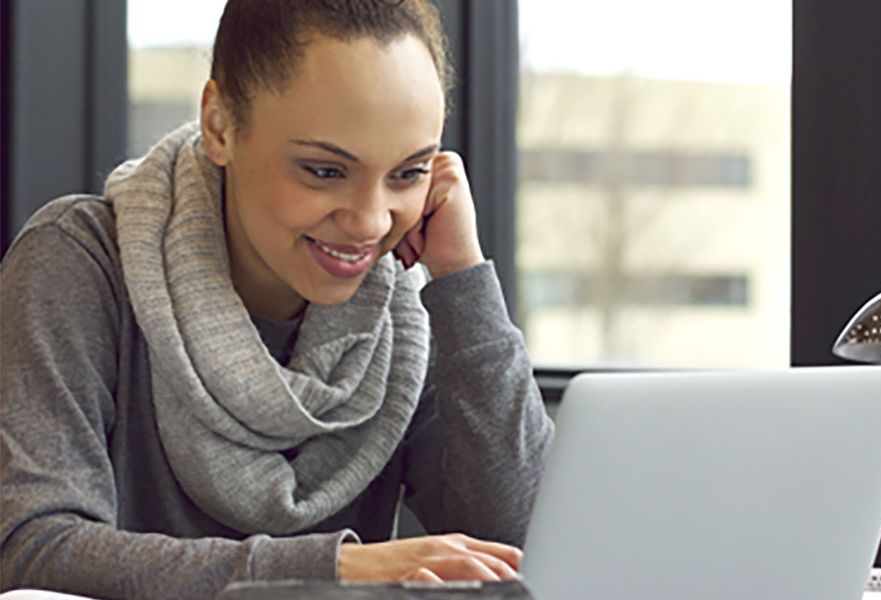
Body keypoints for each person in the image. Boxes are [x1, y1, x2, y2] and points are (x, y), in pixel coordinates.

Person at [0, 0, 554, 597]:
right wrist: (334, 571)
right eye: (323, 171)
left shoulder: (402, 320)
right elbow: (35, 550)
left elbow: (530, 543)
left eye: (408, 173)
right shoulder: (79, 260)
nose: (370, 222)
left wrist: (463, 277)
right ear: (220, 126)